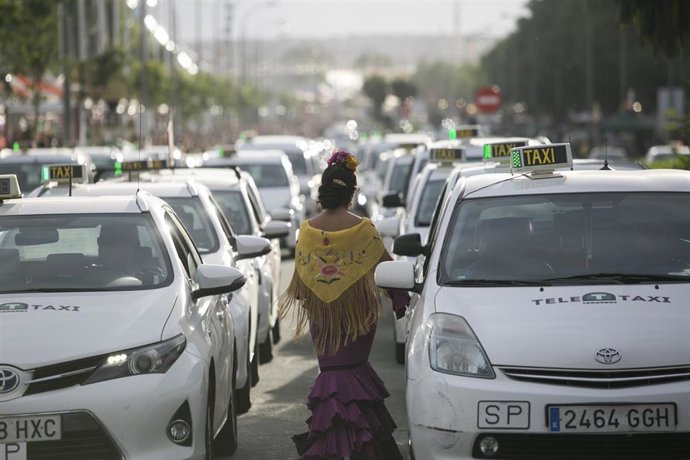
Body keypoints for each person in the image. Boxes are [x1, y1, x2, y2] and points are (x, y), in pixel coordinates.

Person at [279, 150, 409, 460]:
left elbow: (301, 285)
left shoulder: (307, 231)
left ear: (323, 192)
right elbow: (387, 270)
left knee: (333, 375)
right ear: (351, 193)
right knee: (354, 373)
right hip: (358, 320)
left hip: (322, 320)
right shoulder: (363, 228)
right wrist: (400, 301)